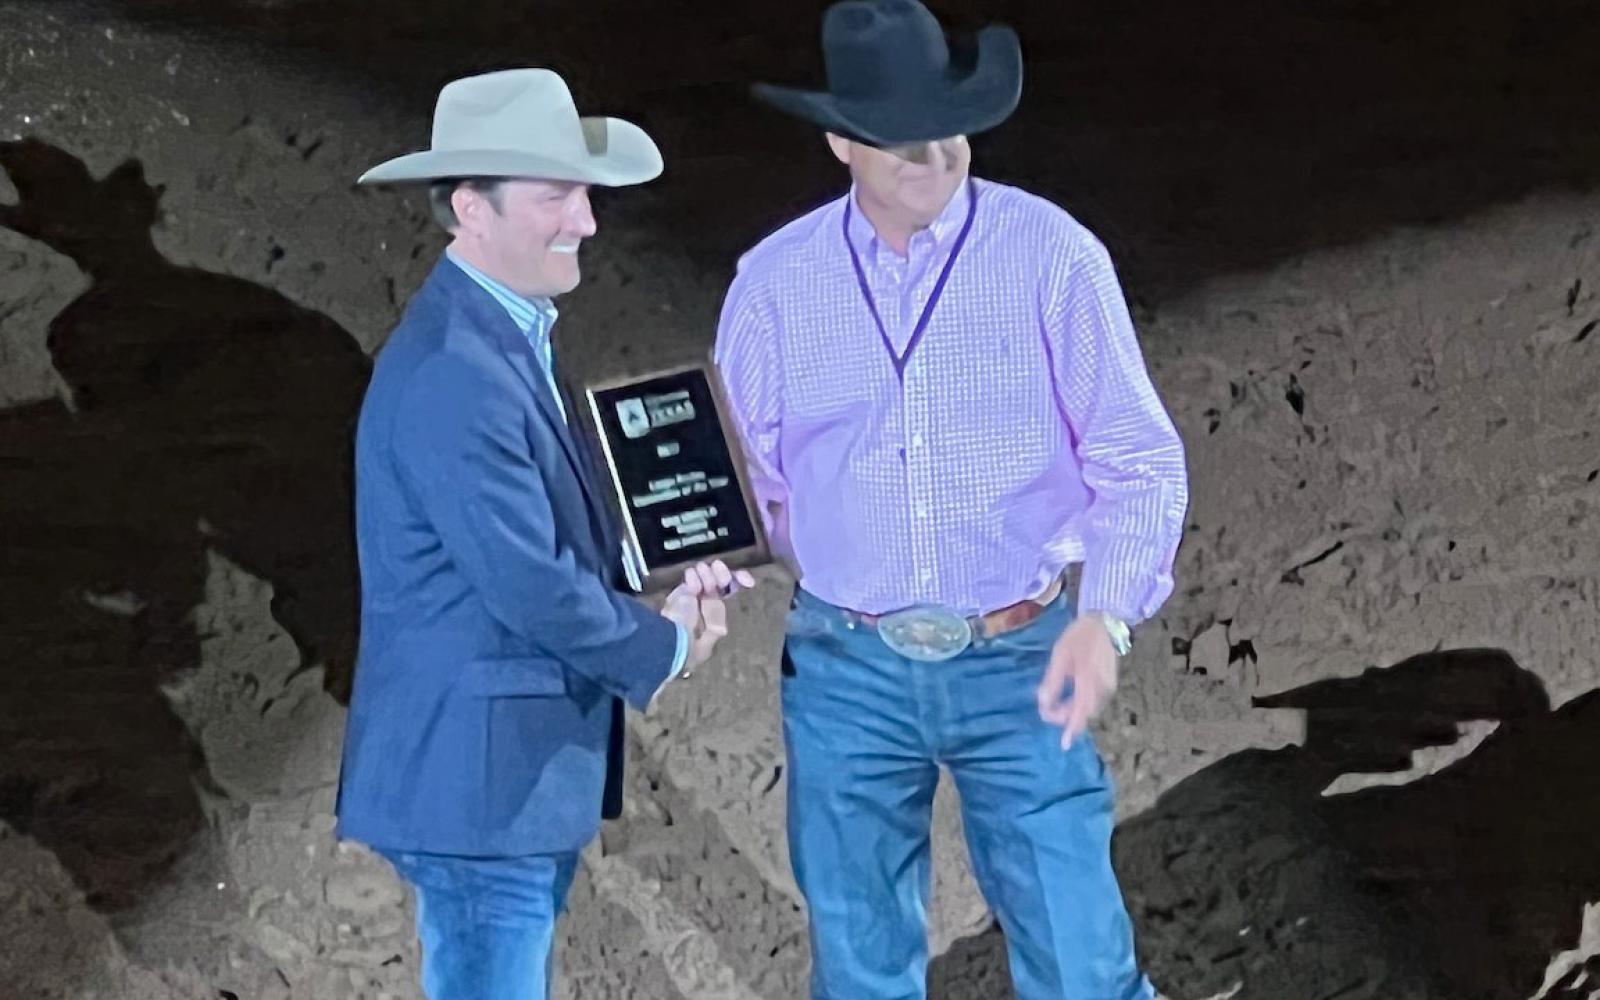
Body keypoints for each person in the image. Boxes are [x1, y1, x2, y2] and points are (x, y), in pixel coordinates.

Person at [714, 2, 1189, 997]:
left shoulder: (1052, 258)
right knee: (860, 962)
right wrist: (697, 557)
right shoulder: (773, 285)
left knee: (1078, 958)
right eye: (901, 138)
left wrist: (1104, 618)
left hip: (1016, 653)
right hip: (847, 666)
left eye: (949, 129)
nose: (934, 155)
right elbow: (742, 475)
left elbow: (1137, 456)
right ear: (840, 140)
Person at [335, 68, 751, 1000]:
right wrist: (668, 642)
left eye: (587, 194)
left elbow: (537, 534)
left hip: (495, 778)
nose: (587, 222)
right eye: (557, 196)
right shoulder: (457, 370)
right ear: (470, 211)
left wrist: (662, 565)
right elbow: (529, 583)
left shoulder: (495, 339)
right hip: (480, 789)